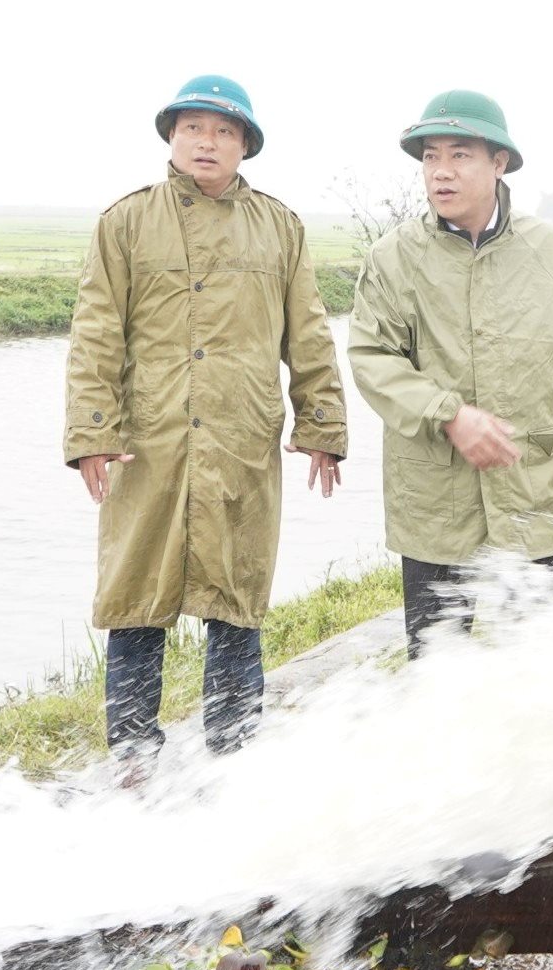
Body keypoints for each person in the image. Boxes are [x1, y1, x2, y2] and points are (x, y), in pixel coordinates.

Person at [64, 75, 346, 773]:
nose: (207, 142)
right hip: (148, 443)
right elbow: (95, 332)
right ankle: (133, 758)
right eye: (193, 128)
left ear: (245, 145)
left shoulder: (280, 226)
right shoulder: (125, 222)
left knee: (237, 595)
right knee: (135, 596)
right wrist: (93, 431)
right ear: (170, 136)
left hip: (241, 437)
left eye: (223, 131)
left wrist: (321, 422)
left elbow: (306, 332)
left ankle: (234, 752)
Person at [348, 90, 553, 656]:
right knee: (437, 669)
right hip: (434, 499)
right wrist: (448, 414)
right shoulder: (394, 257)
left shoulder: (552, 252)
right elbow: (373, 359)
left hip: (533, 490)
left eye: (460, 155)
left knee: (547, 659)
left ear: (499, 162)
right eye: (430, 157)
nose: (441, 173)